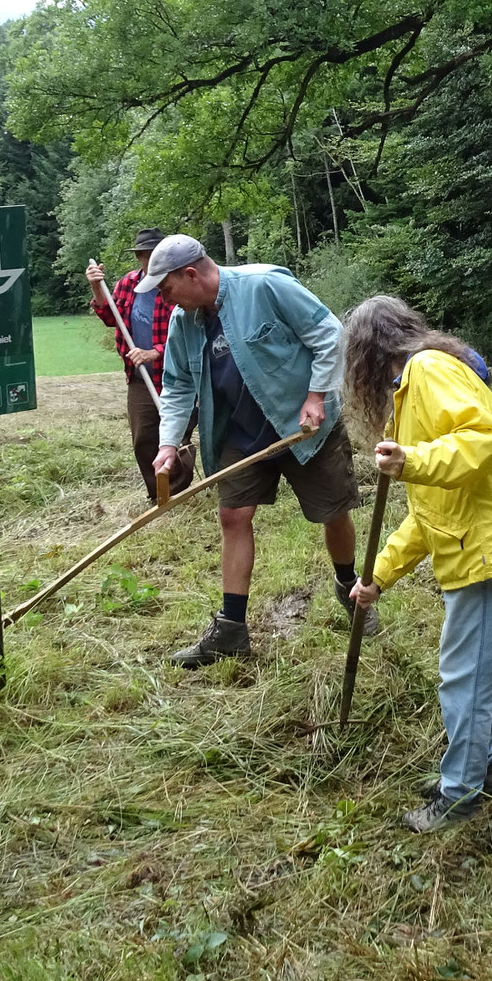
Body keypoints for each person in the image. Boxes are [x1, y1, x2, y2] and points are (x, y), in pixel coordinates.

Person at [342, 295, 492, 833]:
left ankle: (461, 796)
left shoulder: (428, 371)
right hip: (474, 540)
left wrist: (414, 460)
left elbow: (481, 441)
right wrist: (377, 577)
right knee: (470, 672)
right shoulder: (408, 393)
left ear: (365, 352)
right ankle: (483, 767)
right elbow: (428, 514)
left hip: (487, 546)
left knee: (463, 678)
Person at [142, 234, 366, 664]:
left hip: (302, 425)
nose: (166, 301)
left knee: (332, 512)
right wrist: (169, 442)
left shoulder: (265, 285)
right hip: (238, 433)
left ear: (191, 274)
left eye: (167, 289)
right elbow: (178, 385)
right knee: (233, 516)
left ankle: (348, 585)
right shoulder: (183, 322)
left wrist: (317, 396)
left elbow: (329, 334)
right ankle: (231, 629)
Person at [88, 228, 195, 504]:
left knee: (177, 435)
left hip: (176, 373)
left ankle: (180, 491)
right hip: (140, 377)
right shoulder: (127, 284)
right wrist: (96, 287)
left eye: (152, 254)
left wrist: (154, 353)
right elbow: (111, 317)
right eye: (142, 255)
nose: (147, 260)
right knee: (144, 437)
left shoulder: (177, 285)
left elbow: (189, 332)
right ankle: (158, 494)